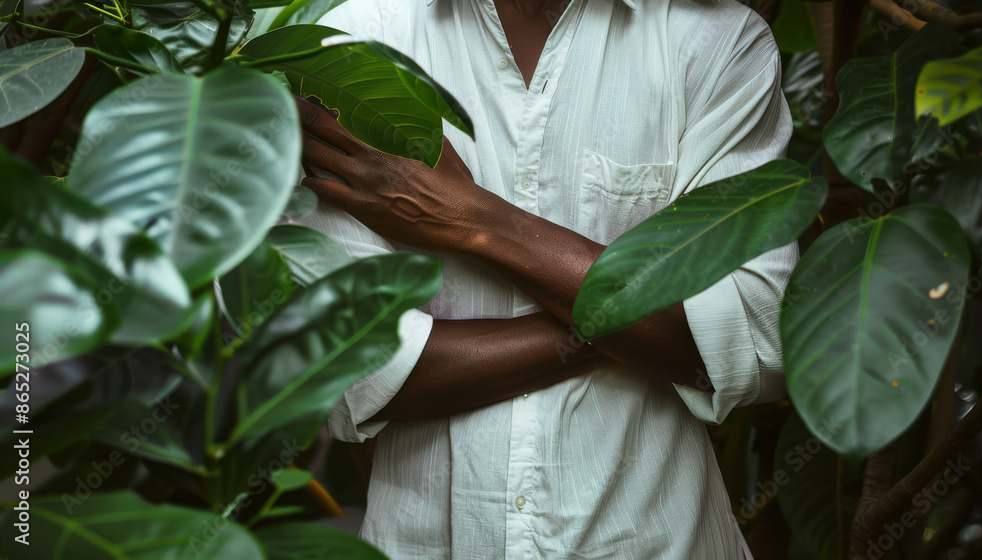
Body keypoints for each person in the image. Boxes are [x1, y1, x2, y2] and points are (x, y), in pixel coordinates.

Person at [296, 0, 795, 557]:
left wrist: (473, 221)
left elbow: (760, 340)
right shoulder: (356, 42)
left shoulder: (714, 44)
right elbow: (340, 370)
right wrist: (639, 322)